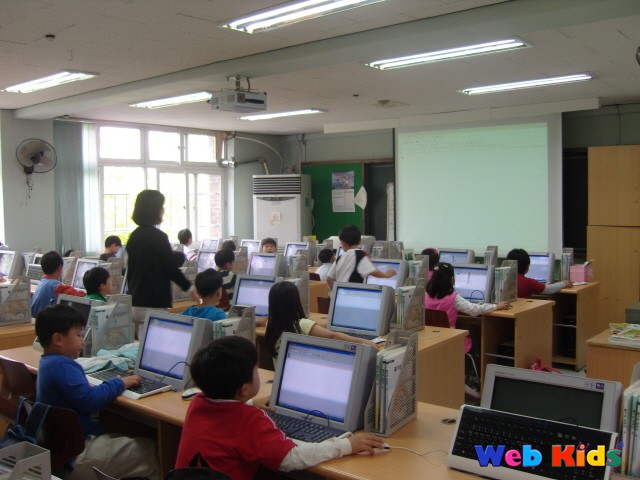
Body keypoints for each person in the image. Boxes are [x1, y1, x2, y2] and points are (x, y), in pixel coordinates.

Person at [175, 336, 385, 480]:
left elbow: (225, 420)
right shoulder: (249, 420)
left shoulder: (197, 403)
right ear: (245, 389)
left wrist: (248, 402)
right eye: (256, 370)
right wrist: (347, 445)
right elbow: (290, 458)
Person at [35, 304, 160, 480]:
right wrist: (119, 382)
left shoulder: (47, 363)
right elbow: (90, 400)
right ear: (58, 339)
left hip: (62, 453)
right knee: (154, 451)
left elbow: (79, 395)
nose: (82, 340)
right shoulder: (62, 365)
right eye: (78, 335)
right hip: (77, 455)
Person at [126, 190, 196, 338]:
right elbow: (171, 269)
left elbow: (130, 271)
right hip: (153, 304)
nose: (163, 210)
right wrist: (190, 288)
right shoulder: (158, 237)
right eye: (161, 206)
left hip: (135, 302)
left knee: (142, 345)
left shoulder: (134, 236)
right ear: (154, 210)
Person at [265, 282, 378, 359]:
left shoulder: (270, 325)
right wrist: (363, 341)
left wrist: (318, 326)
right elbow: (333, 336)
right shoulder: (302, 324)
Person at [425, 262, 511, 354]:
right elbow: (474, 310)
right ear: (452, 279)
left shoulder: (425, 297)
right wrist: (495, 306)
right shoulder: (454, 298)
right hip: (450, 340)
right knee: (475, 343)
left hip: (430, 340)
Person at [326, 225, 396, 289]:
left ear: (343, 243)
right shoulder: (360, 255)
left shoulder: (339, 257)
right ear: (360, 241)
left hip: (339, 294)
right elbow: (373, 272)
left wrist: (334, 292)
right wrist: (387, 275)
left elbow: (329, 279)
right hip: (352, 294)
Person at [31, 251, 85, 317]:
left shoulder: (42, 283)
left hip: (37, 320)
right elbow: (81, 297)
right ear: (59, 268)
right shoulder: (57, 287)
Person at [506, 248, 572, 298]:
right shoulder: (528, 282)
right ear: (527, 267)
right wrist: (563, 284)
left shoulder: (504, 279)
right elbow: (549, 289)